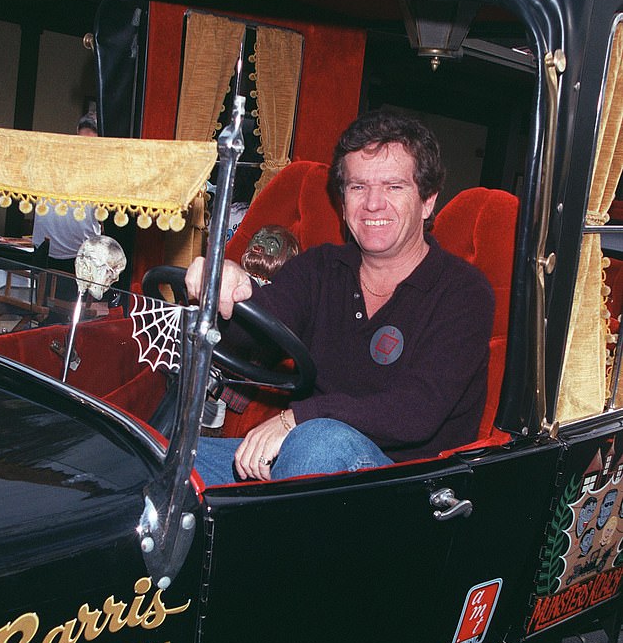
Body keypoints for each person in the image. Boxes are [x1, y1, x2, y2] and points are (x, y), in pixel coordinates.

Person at [186, 109, 495, 485]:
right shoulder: (321, 268)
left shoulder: (463, 292)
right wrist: (232, 291)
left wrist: (297, 419)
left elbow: (416, 411)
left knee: (318, 443)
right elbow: (253, 336)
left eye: (394, 187)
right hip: (308, 466)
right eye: (358, 187)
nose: (373, 204)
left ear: (428, 201)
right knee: (165, 456)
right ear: (343, 200)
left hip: (410, 489)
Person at [32, 113, 101, 274]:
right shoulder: (54, 159)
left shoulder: (99, 168)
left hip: (79, 252)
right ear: (77, 133)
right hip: (48, 249)